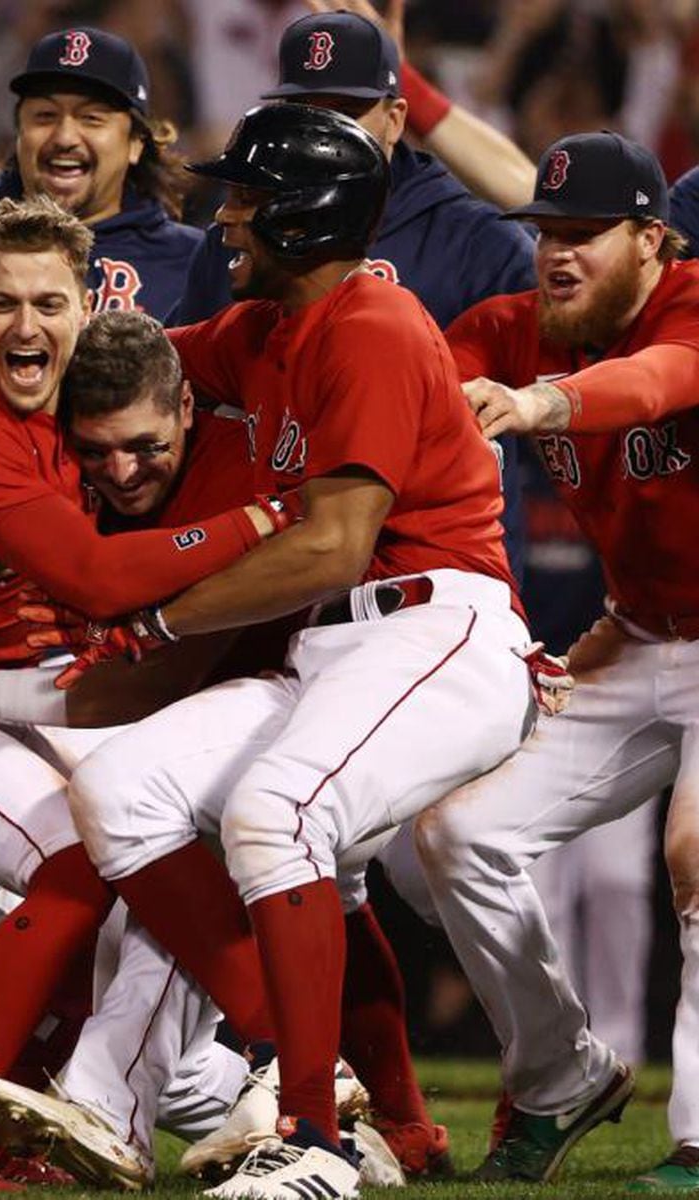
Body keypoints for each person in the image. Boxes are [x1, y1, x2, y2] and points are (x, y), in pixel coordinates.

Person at [36, 102, 535, 1200]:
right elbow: (140, 364)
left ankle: (311, 1139)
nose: (227, 220)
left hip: (437, 625)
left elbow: (332, 546)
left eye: (249, 202)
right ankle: (339, 1093)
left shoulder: (373, 327)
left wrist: (159, 621)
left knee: (275, 812)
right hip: (345, 649)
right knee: (120, 785)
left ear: (309, 219)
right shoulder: (265, 330)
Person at [0, 196, 287, 1190]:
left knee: (143, 838)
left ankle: (88, 1101)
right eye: (2, 303)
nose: (25, 325)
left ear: (87, 307)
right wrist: (265, 519)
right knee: (79, 856)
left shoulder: (84, 397)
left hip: (0, 687)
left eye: (48, 303)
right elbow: (101, 581)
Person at [415, 130, 699, 1191]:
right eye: (545, 233)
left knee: (693, 854)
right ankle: (561, 1075)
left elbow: (660, 380)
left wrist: (536, 404)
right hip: (639, 633)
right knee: (459, 834)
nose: (558, 253)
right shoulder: (517, 327)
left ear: (653, 239)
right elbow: (410, 373)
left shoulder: (690, 301)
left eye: (585, 233)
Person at [174, 8, 533, 579]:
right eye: (306, 112)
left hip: (427, 573)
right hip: (276, 566)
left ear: (395, 119)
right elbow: (184, 385)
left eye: (346, 112)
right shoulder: (239, 228)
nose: (321, 133)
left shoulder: (478, 241)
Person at [0, 26, 201, 322]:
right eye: (45, 116)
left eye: (91, 119)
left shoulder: (195, 264)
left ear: (136, 143)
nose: (64, 138)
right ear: (19, 133)